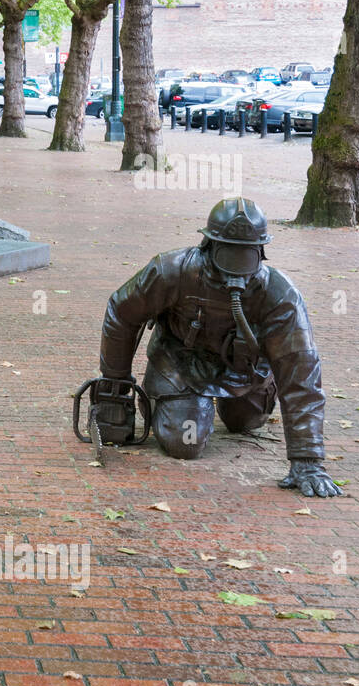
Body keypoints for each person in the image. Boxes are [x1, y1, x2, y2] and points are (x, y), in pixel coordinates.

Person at [96, 197, 340, 498]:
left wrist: (307, 459)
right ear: (208, 246)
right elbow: (122, 311)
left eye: (245, 257)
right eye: (228, 255)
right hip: (181, 366)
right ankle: (178, 402)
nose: (236, 270)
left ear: (261, 254)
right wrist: (115, 382)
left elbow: (302, 372)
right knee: (185, 442)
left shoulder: (280, 295)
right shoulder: (170, 271)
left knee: (246, 422)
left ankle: (242, 400)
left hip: (244, 371)